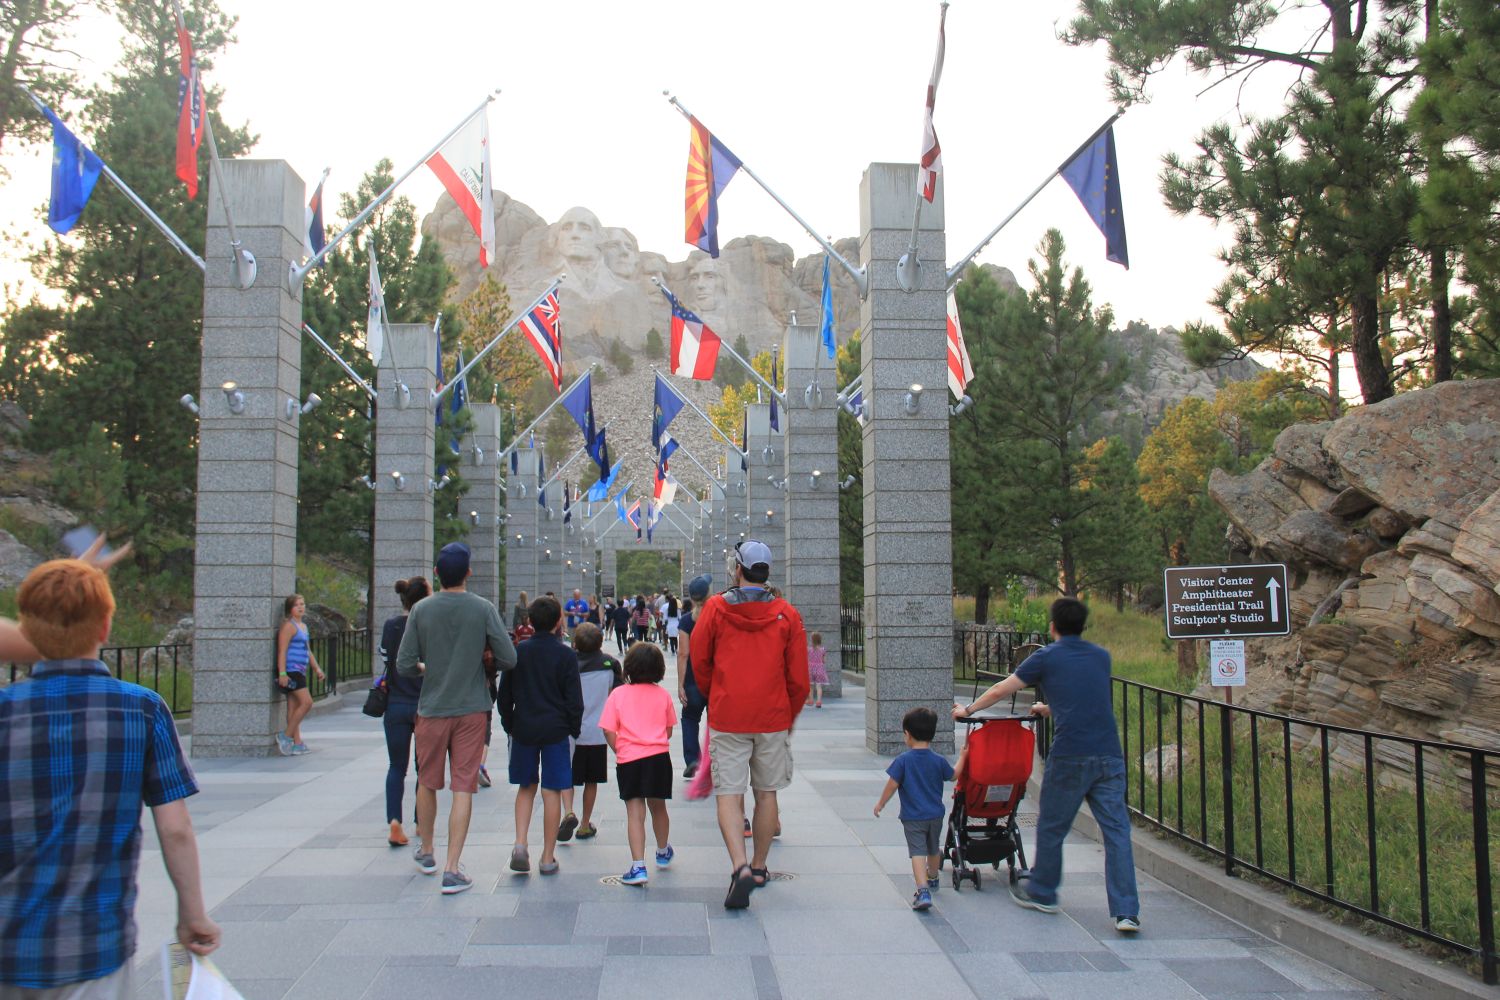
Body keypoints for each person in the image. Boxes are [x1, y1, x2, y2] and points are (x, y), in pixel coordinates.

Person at [1, 558, 220, 995]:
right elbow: (175, 828)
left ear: (24, 630)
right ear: (105, 627)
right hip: (95, 943)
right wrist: (191, 912)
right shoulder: (141, 708)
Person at [954, 597, 1140, 933]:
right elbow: (1087, 699)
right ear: (1083, 626)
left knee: (1053, 825)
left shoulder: (1047, 656)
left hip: (1071, 754)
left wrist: (967, 711)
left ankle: (1043, 891)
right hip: (1109, 755)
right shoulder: (1101, 657)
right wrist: (1049, 708)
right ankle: (1126, 911)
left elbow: (1001, 689)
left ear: (1052, 627)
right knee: (1117, 832)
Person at [691, 539, 808, 909]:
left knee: (729, 792)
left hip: (729, 714)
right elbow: (799, 679)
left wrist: (716, 695)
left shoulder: (714, 609)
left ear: (737, 570)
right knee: (767, 792)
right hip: (771, 716)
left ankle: (738, 865)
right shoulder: (786, 614)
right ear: (767, 572)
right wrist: (788, 715)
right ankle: (759, 866)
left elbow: (700, 660)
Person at [397, 542, 517, 895]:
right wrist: (482, 659)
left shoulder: (421, 610)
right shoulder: (482, 609)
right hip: (471, 708)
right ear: (468, 572)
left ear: (437, 572)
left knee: (427, 781)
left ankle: (428, 850)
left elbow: (404, 664)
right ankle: (453, 868)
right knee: (463, 785)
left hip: (432, 707)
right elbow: (509, 657)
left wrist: (427, 667)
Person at [497, 596, 583, 877]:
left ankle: (520, 844)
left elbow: (504, 694)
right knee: (551, 791)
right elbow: (574, 699)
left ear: (529, 621)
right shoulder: (566, 655)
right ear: (560, 621)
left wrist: (510, 724)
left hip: (524, 727)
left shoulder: (518, 652)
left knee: (525, 787)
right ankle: (547, 856)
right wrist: (573, 728)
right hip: (556, 729)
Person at [599, 641, 678, 886]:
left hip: (630, 759)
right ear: (659, 669)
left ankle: (638, 866)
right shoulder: (663, 695)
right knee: (659, 807)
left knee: (635, 812)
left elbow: (608, 730)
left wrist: (620, 748)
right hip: (658, 758)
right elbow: (668, 731)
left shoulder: (618, 694)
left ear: (629, 667)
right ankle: (663, 851)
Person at [874, 707, 955, 911]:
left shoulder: (903, 760)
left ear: (908, 735)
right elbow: (953, 776)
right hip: (935, 815)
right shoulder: (938, 760)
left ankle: (923, 890)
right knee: (933, 847)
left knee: (917, 852)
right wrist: (963, 758)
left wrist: (881, 803)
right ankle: (934, 877)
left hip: (913, 817)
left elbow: (892, 785)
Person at [378, 576, 432, 847]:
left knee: (396, 766)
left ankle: (394, 822)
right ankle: (421, 822)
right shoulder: (428, 624)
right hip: (424, 704)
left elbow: (386, 659)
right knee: (424, 768)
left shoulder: (391, 626)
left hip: (396, 703)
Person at [559, 622, 621, 842]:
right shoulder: (610, 665)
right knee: (591, 781)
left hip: (571, 732)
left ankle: (568, 811)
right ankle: (585, 824)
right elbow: (617, 696)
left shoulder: (568, 664)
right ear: (600, 642)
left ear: (575, 643)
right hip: (598, 733)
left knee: (567, 776)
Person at [276, 594, 326, 755]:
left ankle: (297, 744)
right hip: (292, 670)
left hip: (301, 669)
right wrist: (283, 673)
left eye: (302, 604)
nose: (300, 607)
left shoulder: (303, 626)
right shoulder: (288, 626)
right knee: (306, 702)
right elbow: (282, 651)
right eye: (296, 605)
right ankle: (285, 736)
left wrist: (317, 668)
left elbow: (307, 650)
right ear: (290, 609)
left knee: (294, 706)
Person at [675, 576, 712, 778]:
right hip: (716, 681)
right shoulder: (718, 617)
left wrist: (681, 684)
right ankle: (714, 761)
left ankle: (692, 760)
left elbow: (683, 653)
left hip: (693, 680)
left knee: (689, 719)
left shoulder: (687, 621)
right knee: (716, 723)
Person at [806, 631, 828, 708]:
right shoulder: (823, 649)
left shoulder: (808, 649)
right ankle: (818, 701)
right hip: (819, 669)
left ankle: (811, 700)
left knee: (811, 686)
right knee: (819, 686)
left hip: (810, 669)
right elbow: (824, 661)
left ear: (812, 640)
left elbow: (806, 659)